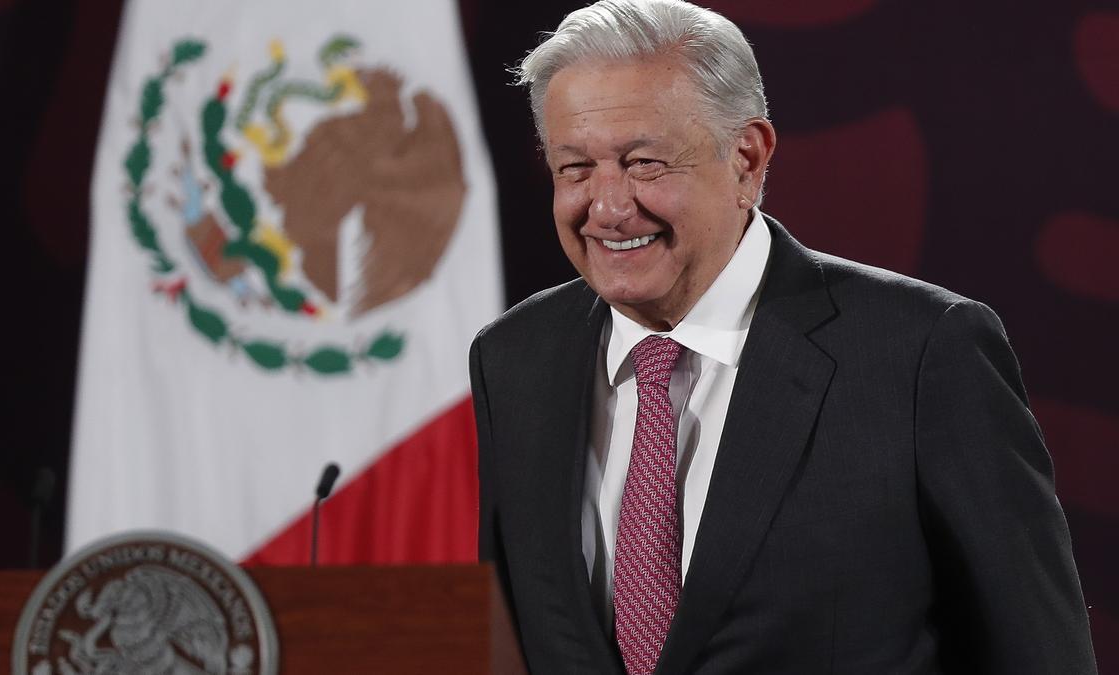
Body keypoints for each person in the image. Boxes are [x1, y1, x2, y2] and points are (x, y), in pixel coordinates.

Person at [469, 0, 1098, 673]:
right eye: (574, 169)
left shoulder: (922, 353)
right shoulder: (514, 359)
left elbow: (1039, 653)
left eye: (644, 163)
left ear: (747, 158)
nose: (609, 206)